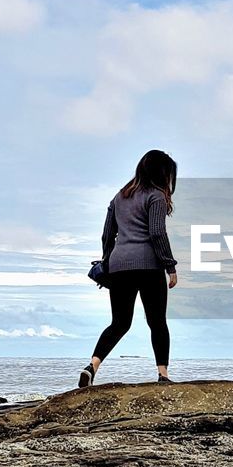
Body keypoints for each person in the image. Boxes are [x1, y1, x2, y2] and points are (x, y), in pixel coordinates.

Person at [78, 150, 178, 387]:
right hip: (149, 266)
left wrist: (108, 262)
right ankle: (163, 375)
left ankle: (92, 366)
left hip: (119, 266)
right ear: (163, 174)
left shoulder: (119, 197)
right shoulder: (155, 197)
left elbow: (107, 234)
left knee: (119, 323)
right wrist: (170, 266)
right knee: (157, 322)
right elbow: (157, 233)